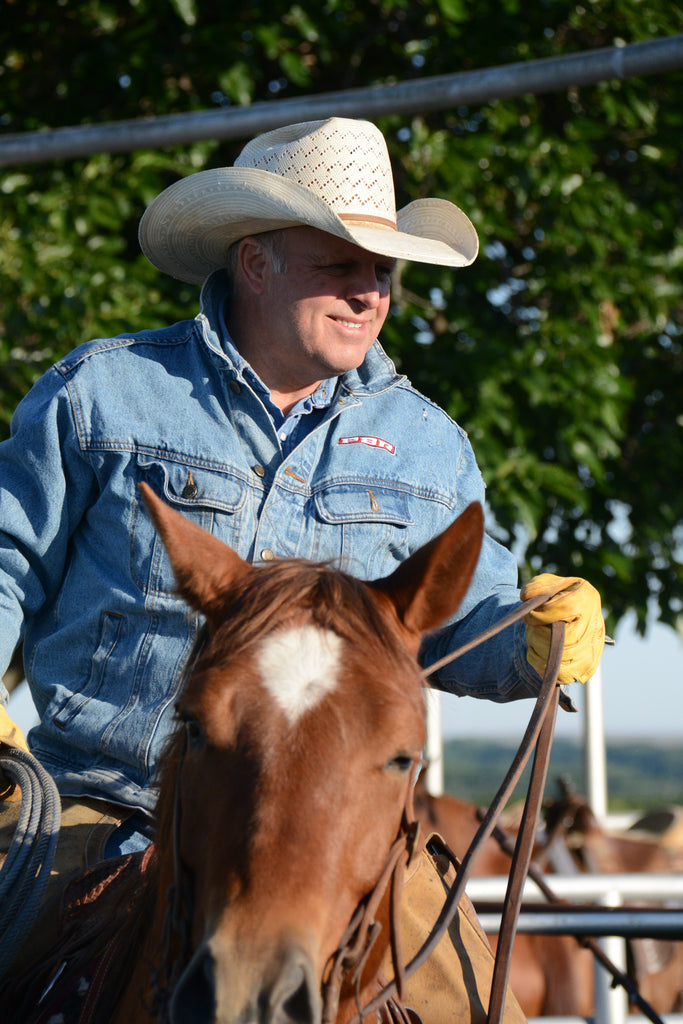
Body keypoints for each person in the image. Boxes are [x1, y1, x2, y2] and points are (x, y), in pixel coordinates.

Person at [0, 117, 604, 1014]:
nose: (368, 294)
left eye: (381, 273)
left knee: (478, 1005)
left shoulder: (426, 447)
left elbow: (458, 623)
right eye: (338, 266)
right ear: (254, 261)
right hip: (95, 804)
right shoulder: (102, 393)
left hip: (339, 827)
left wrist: (533, 638)